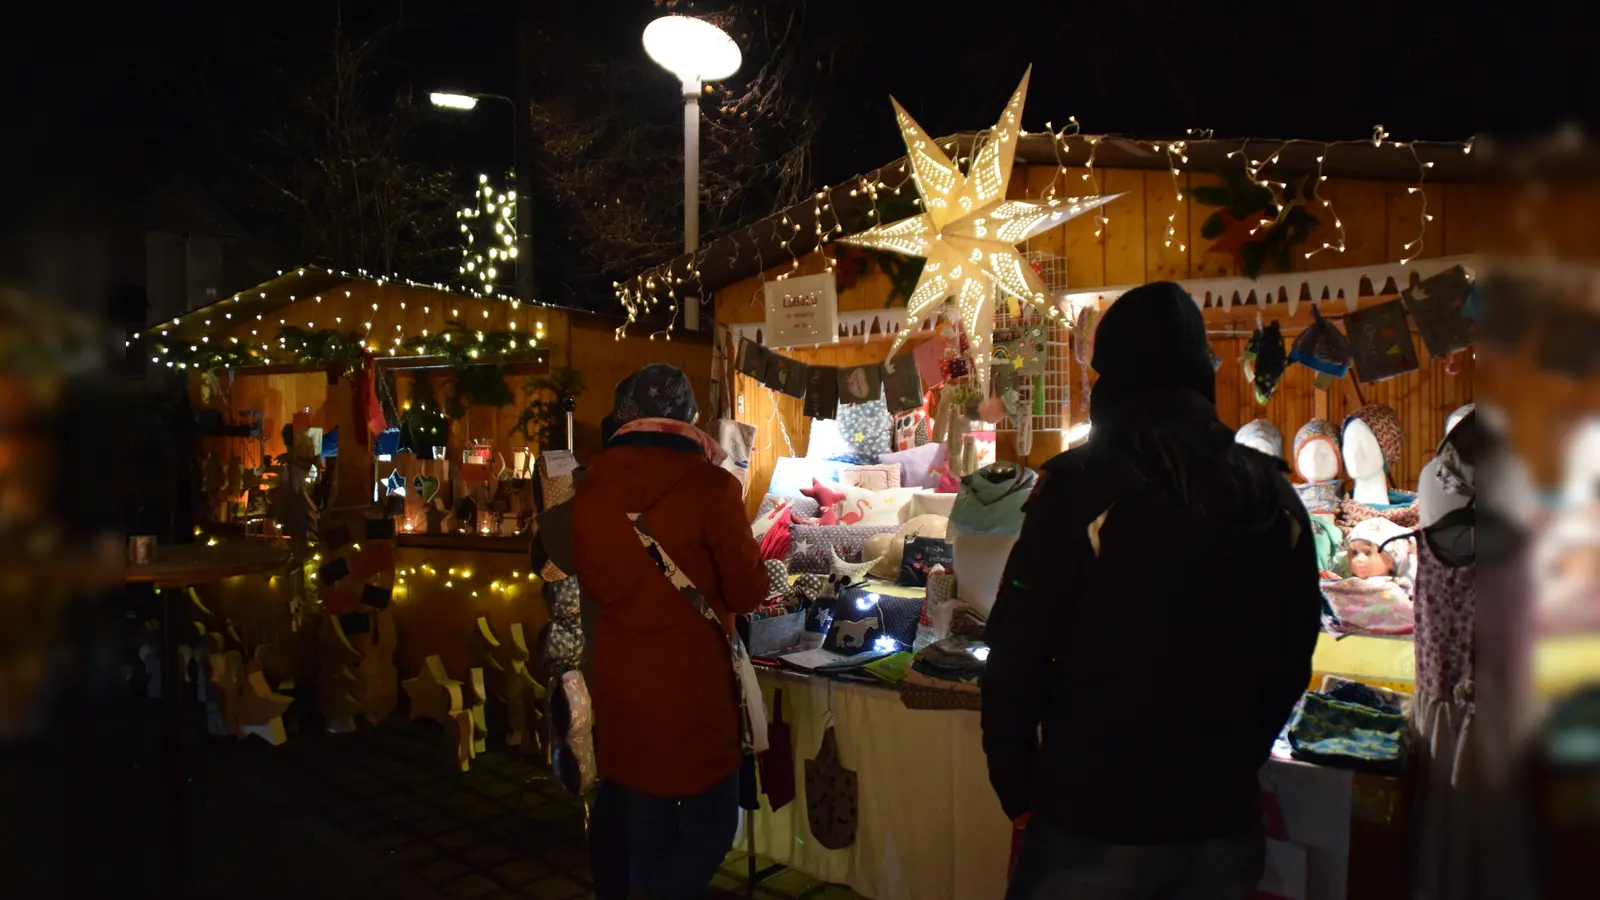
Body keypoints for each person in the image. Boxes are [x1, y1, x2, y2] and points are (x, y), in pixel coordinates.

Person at [982, 282, 1324, 899]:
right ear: (1200, 372)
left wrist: (1018, 787)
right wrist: (1239, 756)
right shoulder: (1270, 492)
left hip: (1090, 817)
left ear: (1110, 377)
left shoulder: (1080, 486)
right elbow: (1293, 657)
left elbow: (1014, 655)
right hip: (1218, 817)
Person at [571, 363, 768, 900]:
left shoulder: (589, 489)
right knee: (711, 826)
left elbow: (593, 583)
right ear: (687, 417)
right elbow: (748, 593)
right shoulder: (712, 487)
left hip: (621, 683)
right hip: (692, 687)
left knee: (646, 824)